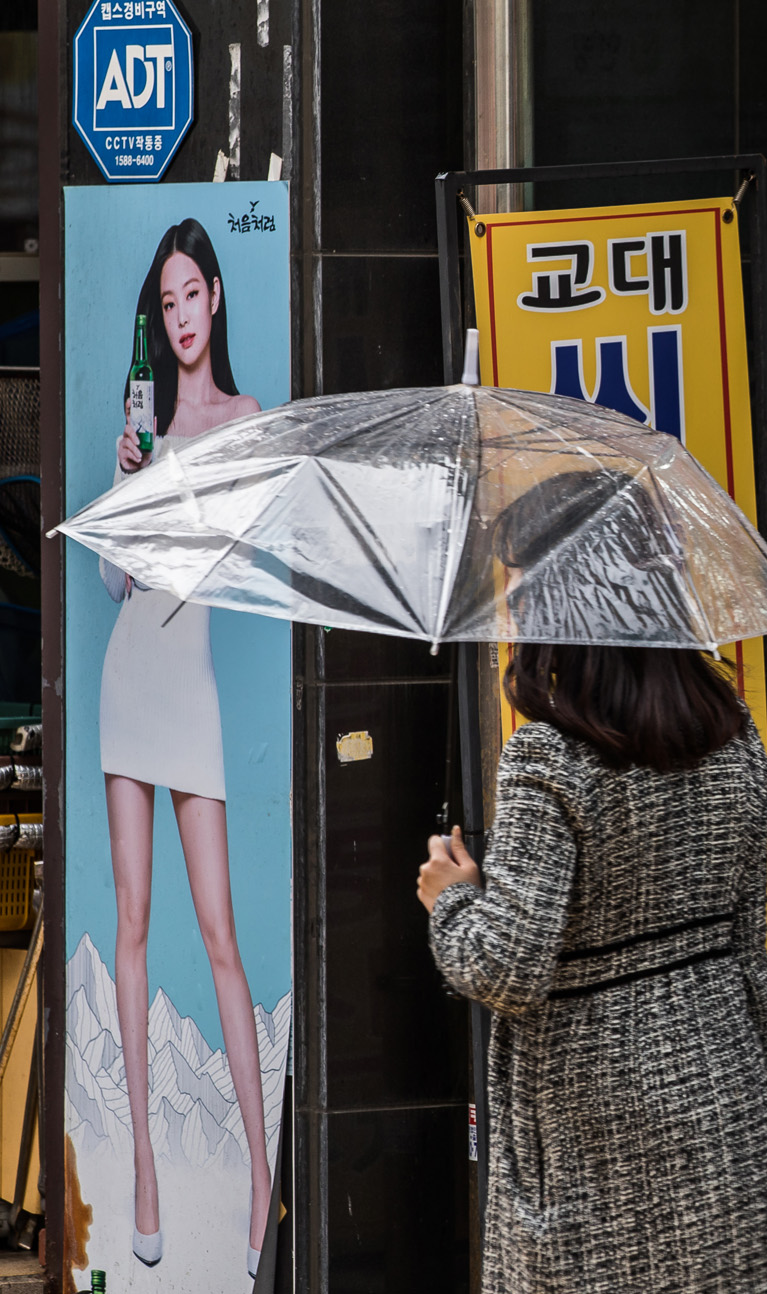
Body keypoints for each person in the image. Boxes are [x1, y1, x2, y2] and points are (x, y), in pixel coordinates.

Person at [417, 476, 767, 1292]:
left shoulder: (548, 758)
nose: (513, 612)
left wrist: (450, 895)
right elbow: (750, 944)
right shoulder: (733, 737)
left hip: (588, 1122)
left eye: (523, 587)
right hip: (721, 1094)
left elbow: (504, 964)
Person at [100, 218, 271, 1276]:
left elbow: (246, 565)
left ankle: (261, 1169)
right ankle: (149, 1174)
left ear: (215, 296)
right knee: (130, 925)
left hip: (193, 691)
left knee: (219, 935)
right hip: (130, 679)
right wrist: (128, 481)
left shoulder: (250, 421)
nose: (180, 316)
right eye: (164, 305)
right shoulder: (143, 420)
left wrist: (193, 489)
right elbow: (118, 584)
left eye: (190, 295)